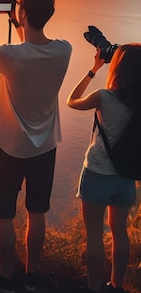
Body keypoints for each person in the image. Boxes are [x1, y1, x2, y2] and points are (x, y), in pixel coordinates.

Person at [0, 0, 72, 293]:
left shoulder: (9, 55)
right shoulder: (63, 50)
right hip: (45, 147)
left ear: (22, 12)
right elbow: (35, 45)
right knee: (36, 212)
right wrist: (21, 22)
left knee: (4, 216)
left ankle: (4, 276)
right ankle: (31, 276)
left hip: (8, 147)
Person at [67, 44, 141, 293]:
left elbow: (71, 101)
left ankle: (93, 287)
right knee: (120, 233)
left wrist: (94, 69)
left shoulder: (104, 96)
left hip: (97, 175)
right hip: (126, 178)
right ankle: (117, 286)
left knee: (95, 237)